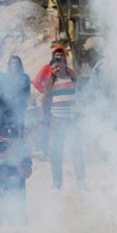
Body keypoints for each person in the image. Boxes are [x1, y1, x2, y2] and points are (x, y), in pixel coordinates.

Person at [43, 57, 85, 189]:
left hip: (73, 121)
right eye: (53, 68)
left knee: (76, 151)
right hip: (56, 121)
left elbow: (82, 97)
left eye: (58, 66)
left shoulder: (74, 80)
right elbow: (45, 101)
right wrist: (47, 120)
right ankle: (57, 183)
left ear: (64, 65)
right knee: (56, 152)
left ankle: (81, 182)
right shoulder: (51, 82)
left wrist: (81, 113)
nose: (56, 69)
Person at [1, 55, 31, 137]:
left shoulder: (25, 77)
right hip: (8, 108)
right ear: (9, 65)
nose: (15, 65)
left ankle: (20, 147)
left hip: (20, 107)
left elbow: (27, 92)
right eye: (13, 63)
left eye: (17, 63)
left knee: (20, 128)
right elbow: (2, 92)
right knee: (10, 129)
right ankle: (12, 147)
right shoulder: (5, 78)